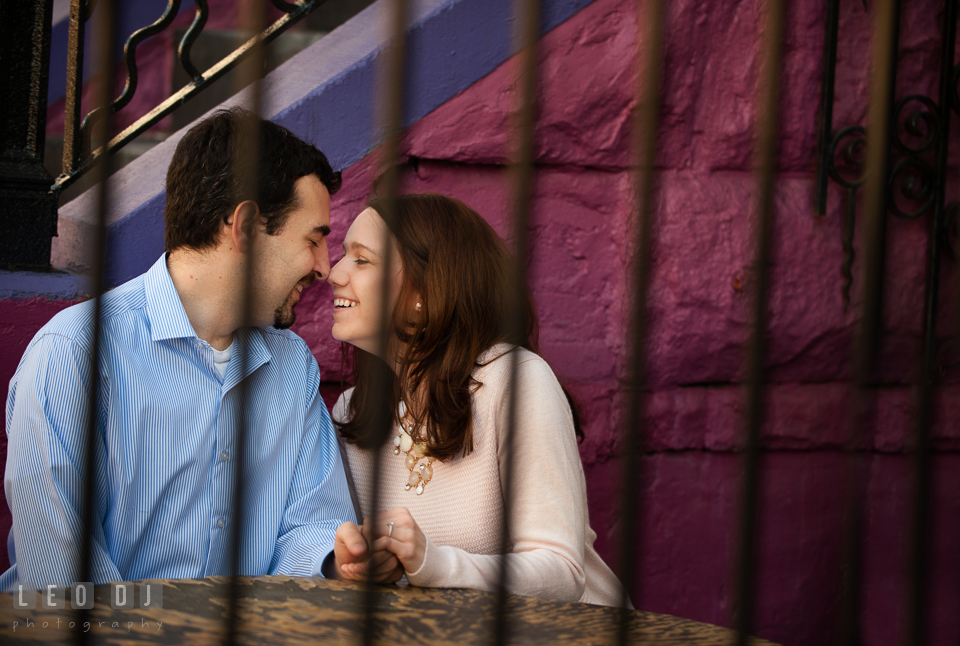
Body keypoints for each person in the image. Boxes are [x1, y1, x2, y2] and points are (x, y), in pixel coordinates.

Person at [2, 108, 380, 589]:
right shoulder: (74, 355)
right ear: (243, 227)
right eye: (312, 240)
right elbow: (63, 573)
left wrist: (335, 562)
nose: (325, 268)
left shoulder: (291, 366)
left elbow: (312, 524)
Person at [327, 193, 627, 605]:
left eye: (361, 260)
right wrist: (358, 562)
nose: (334, 273)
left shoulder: (515, 381)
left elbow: (561, 573)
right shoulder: (352, 409)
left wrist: (431, 564)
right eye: (344, 255)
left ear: (424, 289)